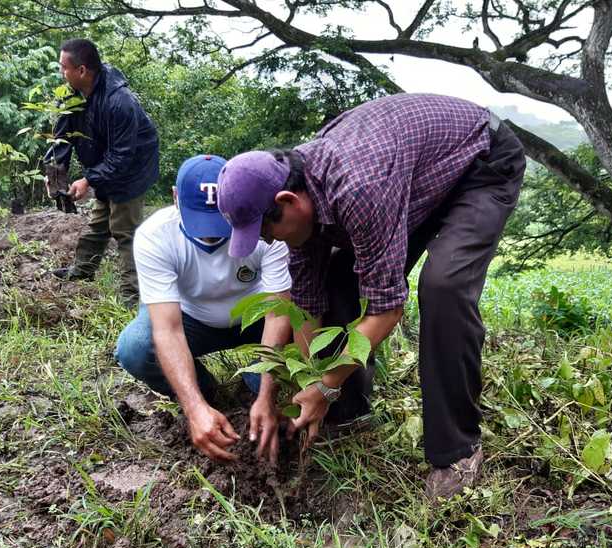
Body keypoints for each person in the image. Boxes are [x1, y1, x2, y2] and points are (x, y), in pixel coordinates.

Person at [217, 93, 526, 500]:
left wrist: (324, 386)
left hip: (479, 162)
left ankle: (458, 451)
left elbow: (387, 309)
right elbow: (307, 302)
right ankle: (347, 413)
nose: (269, 241)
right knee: (340, 282)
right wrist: (294, 388)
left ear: (287, 202)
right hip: (417, 176)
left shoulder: (358, 188)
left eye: (267, 232)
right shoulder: (300, 192)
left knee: (444, 286)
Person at [115, 155, 292, 463]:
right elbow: (166, 327)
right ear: (174, 197)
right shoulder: (154, 236)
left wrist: (267, 395)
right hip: (192, 321)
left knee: (304, 332)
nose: (211, 234)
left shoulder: (264, 230)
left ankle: (254, 385)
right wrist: (194, 407)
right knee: (135, 348)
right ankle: (205, 392)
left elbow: (279, 313)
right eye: (200, 220)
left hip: (255, 318)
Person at [44, 38, 159, 305]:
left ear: (82, 70)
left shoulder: (120, 102)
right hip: (106, 163)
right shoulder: (71, 95)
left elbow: (122, 156)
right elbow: (61, 138)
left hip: (133, 167)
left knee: (124, 230)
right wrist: (54, 175)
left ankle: (133, 296)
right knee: (98, 223)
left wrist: (88, 179)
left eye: (64, 67)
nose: (62, 73)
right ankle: (82, 271)